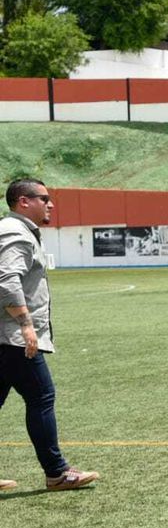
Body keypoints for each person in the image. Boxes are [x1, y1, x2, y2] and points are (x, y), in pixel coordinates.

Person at [1, 179, 98, 492]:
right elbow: (6, 279)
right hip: (12, 337)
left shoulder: (16, 230)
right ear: (23, 202)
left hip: (5, 335)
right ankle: (57, 473)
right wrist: (26, 324)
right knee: (41, 396)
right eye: (44, 198)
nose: (51, 204)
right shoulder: (15, 231)